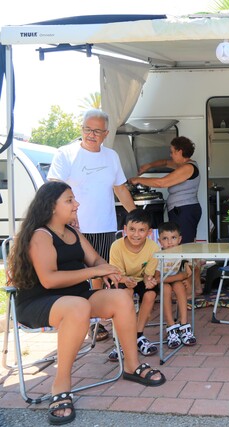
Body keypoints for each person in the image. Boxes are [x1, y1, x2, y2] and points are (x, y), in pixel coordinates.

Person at [8, 181, 165, 426]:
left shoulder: (73, 232)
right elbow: (49, 280)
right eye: (69, 200)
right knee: (78, 306)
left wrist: (110, 270)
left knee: (121, 298)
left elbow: (95, 259)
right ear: (51, 206)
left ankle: (131, 365)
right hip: (40, 301)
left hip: (77, 297)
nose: (76, 204)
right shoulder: (40, 235)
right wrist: (94, 272)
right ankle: (61, 384)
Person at [47, 109, 137, 342]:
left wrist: (136, 216)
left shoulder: (111, 156)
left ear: (106, 133)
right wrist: (64, 216)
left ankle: (97, 320)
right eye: (87, 129)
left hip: (105, 225)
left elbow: (120, 188)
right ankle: (76, 318)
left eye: (97, 131)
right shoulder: (65, 153)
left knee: (101, 273)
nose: (91, 134)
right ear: (81, 129)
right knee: (76, 275)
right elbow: (53, 188)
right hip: (72, 228)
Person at [108, 209, 161, 360]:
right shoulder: (116, 246)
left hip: (140, 279)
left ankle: (138, 335)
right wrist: (126, 280)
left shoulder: (153, 247)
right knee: (126, 295)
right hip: (121, 279)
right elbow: (116, 274)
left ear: (149, 232)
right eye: (132, 229)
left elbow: (148, 274)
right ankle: (121, 340)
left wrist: (148, 280)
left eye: (141, 230)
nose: (136, 234)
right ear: (125, 229)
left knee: (150, 294)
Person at [131, 136, 201, 244]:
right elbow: (164, 162)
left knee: (185, 244)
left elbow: (162, 183)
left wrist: (138, 180)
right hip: (181, 210)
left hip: (185, 211)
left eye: (172, 152)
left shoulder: (188, 168)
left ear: (180, 151)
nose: (170, 155)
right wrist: (148, 166)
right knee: (180, 243)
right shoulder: (182, 165)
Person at [157, 222, 197, 348]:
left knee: (179, 286)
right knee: (166, 288)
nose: (170, 242)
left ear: (179, 239)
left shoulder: (182, 253)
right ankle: (171, 326)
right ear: (160, 241)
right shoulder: (159, 256)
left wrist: (186, 278)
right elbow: (158, 279)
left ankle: (184, 323)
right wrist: (180, 276)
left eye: (173, 238)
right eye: (165, 238)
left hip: (173, 280)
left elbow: (189, 271)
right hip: (162, 283)